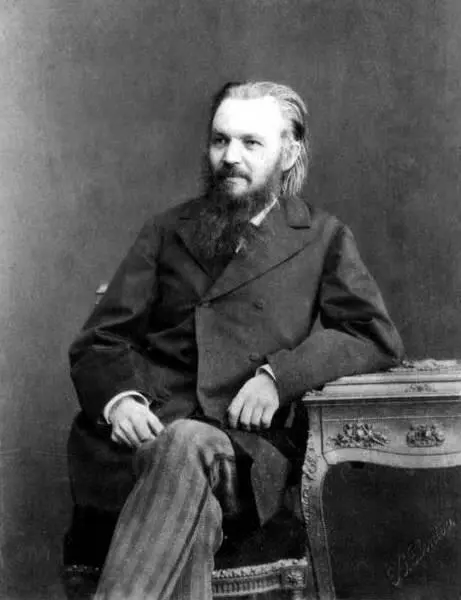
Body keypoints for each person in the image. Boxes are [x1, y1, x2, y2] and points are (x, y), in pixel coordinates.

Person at [68, 80, 404, 600]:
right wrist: (120, 402)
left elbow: (372, 335)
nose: (230, 157)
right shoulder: (167, 229)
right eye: (220, 140)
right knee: (187, 488)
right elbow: (100, 339)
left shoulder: (322, 237)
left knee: (187, 444)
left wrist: (278, 377)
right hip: (146, 434)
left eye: (251, 143)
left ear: (288, 153)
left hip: (244, 447)